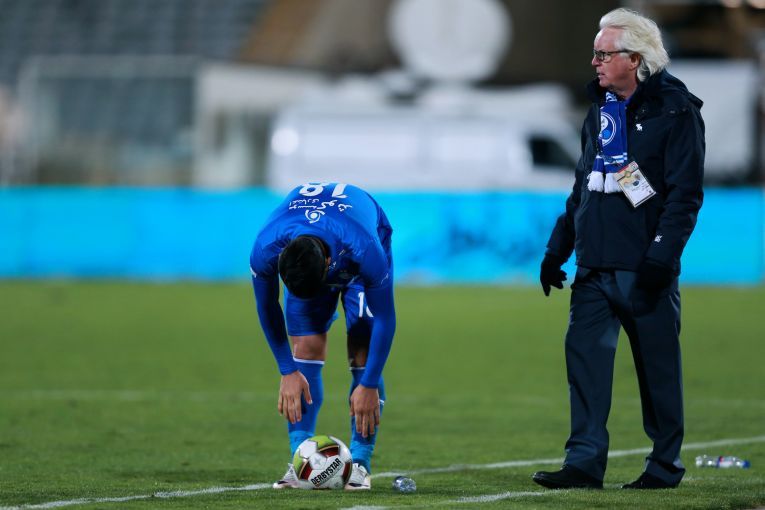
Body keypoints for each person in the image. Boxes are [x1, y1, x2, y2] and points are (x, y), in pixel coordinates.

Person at [533, 8, 704, 490]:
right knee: (584, 367)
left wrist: (661, 258)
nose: (595, 62)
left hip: (643, 267)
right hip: (593, 267)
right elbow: (583, 188)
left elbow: (685, 196)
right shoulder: (600, 111)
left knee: (657, 372)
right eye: (595, 53)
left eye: (604, 54)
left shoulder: (677, 111)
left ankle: (664, 466)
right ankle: (584, 463)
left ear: (636, 59)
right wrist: (557, 250)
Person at [249, 182, 395, 491]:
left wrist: (369, 383)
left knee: (362, 348)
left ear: (328, 265)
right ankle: (301, 460)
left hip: (356, 257)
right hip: (315, 244)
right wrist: (287, 370)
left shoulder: (365, 247)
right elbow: (267, 307)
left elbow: (385, 317)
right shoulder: (266, 247)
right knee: (306, 346)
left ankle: (360, 463)